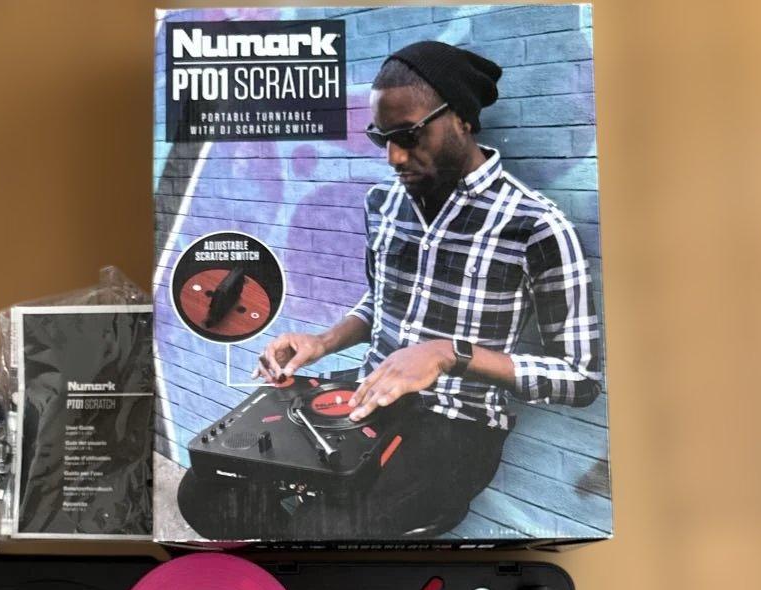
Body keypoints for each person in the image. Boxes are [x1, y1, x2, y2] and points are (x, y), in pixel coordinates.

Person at [177, 41, 602, 540]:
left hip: (457, 424)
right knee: (203, 493)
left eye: (409, 136)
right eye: (383, 139)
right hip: (367, 395)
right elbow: (379, 302)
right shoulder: (384, 203)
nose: (394, 157)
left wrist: (447, 354)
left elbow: (580, 379)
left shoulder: (536, 226)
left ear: (462, 119)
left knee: (320, 528)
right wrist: (323, 342)